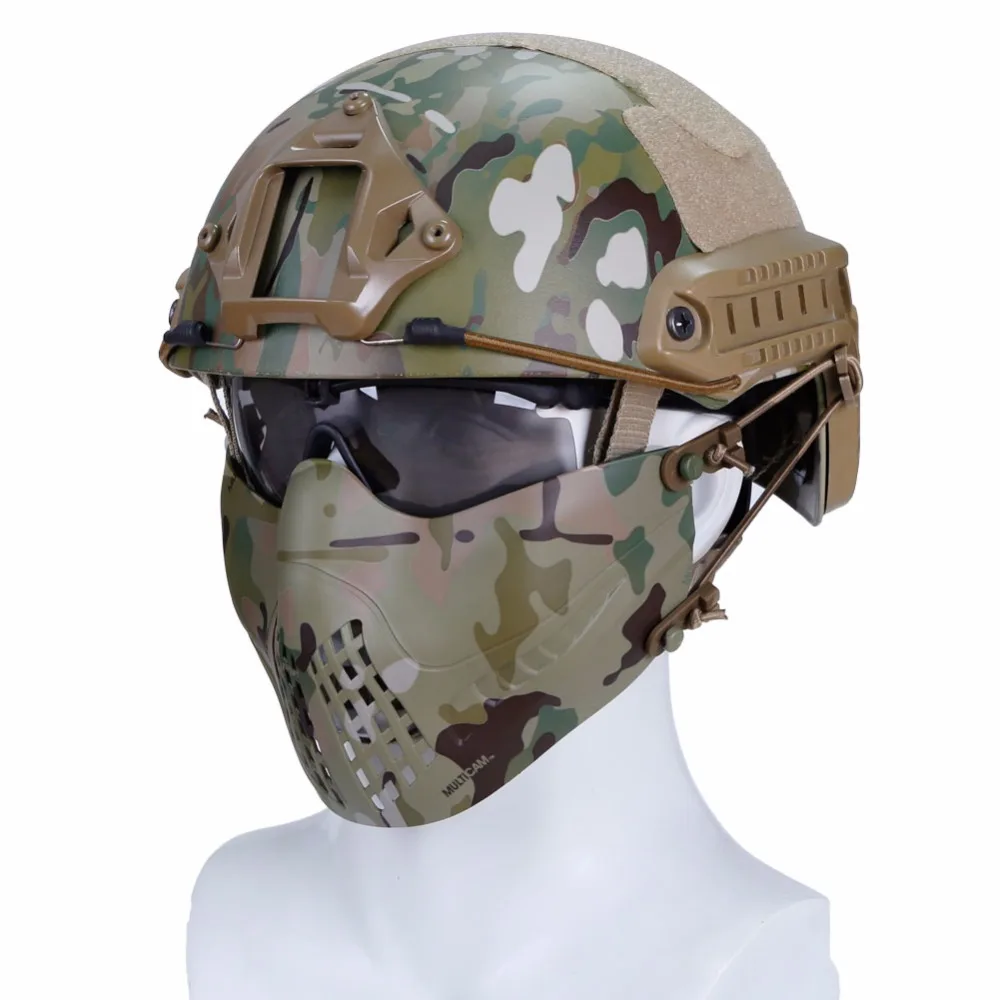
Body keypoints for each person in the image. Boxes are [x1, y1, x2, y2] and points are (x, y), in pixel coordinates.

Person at [159, 33, 862, 1000]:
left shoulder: (733, 973)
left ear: (731, 460)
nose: (319, 525)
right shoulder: (240, 911)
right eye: (269, 423)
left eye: (454, 430)